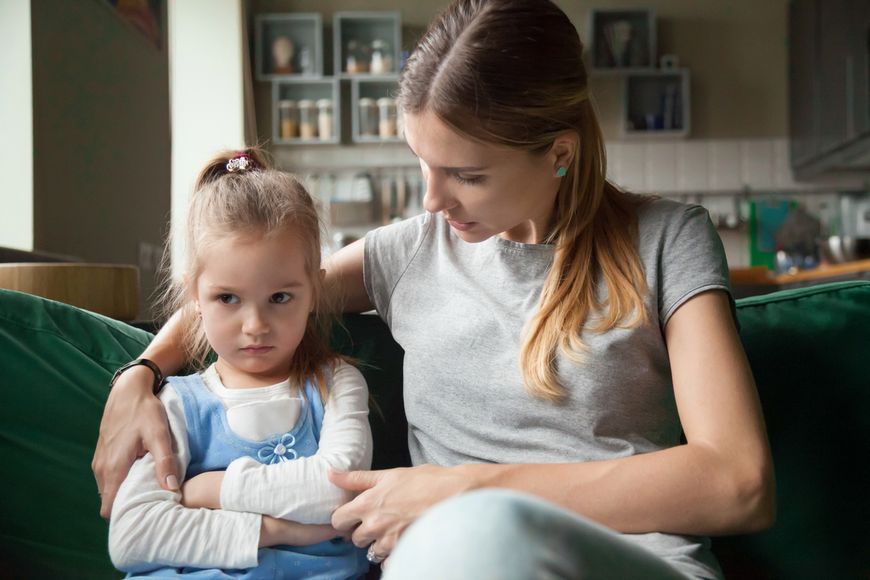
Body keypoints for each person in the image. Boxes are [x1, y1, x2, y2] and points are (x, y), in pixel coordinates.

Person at [94, 1, 775, 578]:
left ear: (559, 154)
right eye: (423, 164)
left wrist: (464, 491)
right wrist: (139, 376)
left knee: (479, 535)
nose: (432, 199)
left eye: (467, 174)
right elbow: (251, 295)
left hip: (616, 560)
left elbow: (738, 483)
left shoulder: (667, 240)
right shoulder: (408, 253)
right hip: (441, 562)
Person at [107, 149, 372, 578]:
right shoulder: (175, 402)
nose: (255, 326)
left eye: (280, 298)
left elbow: (338, 488)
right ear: (195, 296)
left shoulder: (337, 383)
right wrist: (273, 529)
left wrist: (214, 489)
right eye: (227, 298)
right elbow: (132, 536)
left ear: (314, 293)